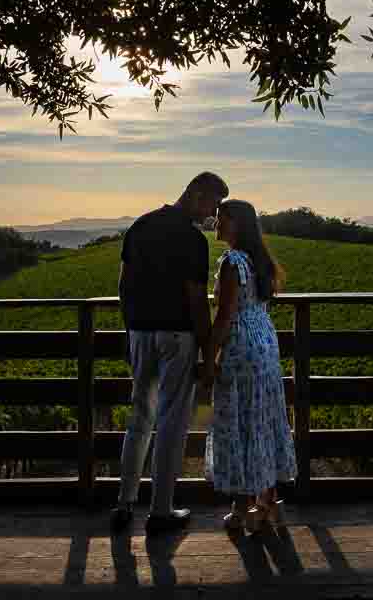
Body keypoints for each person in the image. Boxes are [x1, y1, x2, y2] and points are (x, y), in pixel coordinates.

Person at [112, 172, 229, 534]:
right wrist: (208, 345)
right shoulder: (192, 240)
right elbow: (196, 298)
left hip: (140, 332)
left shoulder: (141, 225)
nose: (213, 214)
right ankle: (161, 510)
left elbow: (123, 284)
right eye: (212, 203)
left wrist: (131, 327)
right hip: (176, 336)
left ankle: (124, 503)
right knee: (172, 422)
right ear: (195, 195)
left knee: (139, 417)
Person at [205, 199, 297, 532]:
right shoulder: (261, 261)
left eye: (223, 219)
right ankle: (269, 504)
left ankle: (242, 510)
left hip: (241, 349)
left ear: (238, 224)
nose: (216, 224)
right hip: (266, 346)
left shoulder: (233, 262)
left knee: (240, 424)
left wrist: (209, 358)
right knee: (263, 420)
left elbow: (225, 317)